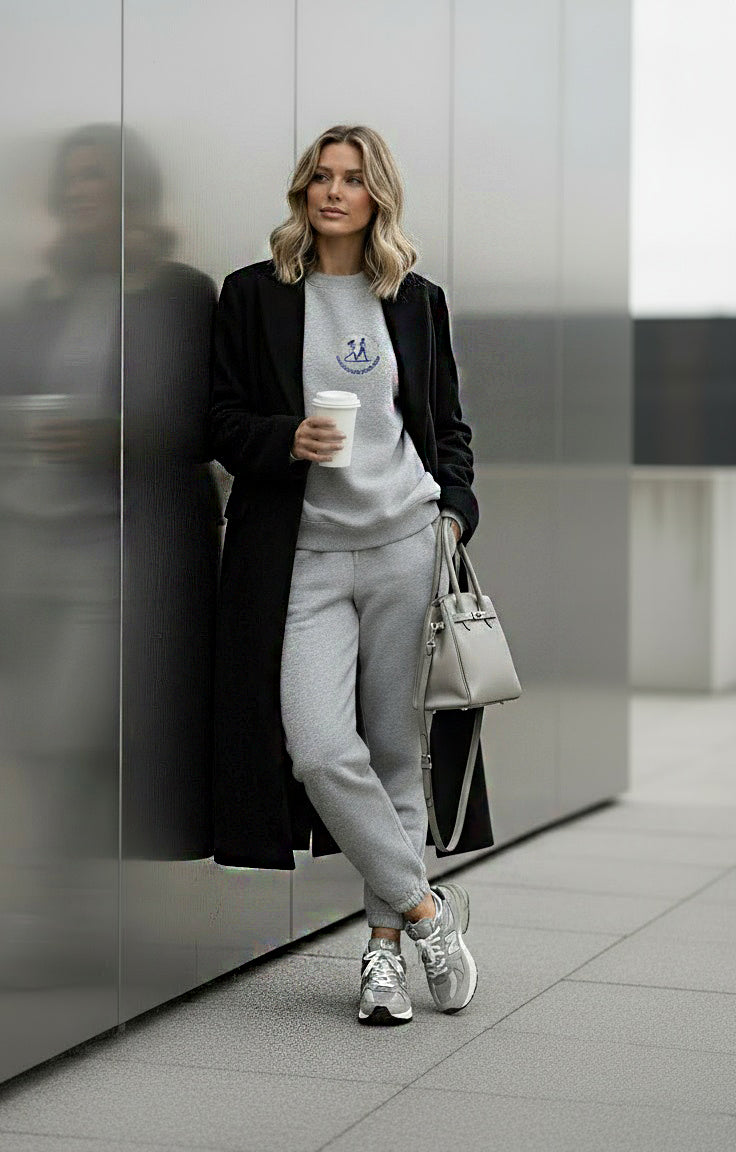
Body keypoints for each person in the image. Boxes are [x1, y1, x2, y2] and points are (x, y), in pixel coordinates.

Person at [210, 125, 494, 1025]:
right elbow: (219, 417)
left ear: (377, 197)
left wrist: (451, 514)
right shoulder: (254, 295)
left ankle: (380, 961)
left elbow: (448, 426)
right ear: (304, 189)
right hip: (307, 557)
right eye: (322, 177)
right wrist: (283, 439)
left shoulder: (415, 299)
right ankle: (426, 910)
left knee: (396, 756)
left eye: (353, 179)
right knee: (323, 750)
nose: (334, 192)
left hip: (406, 544)